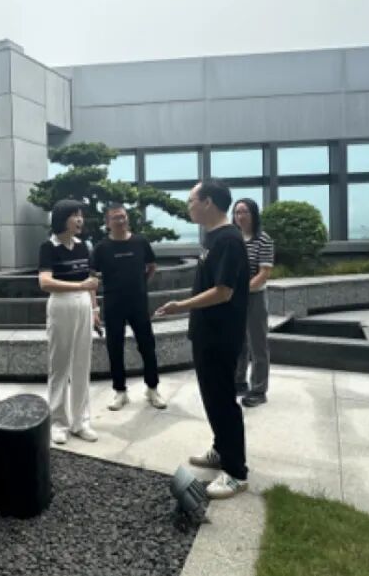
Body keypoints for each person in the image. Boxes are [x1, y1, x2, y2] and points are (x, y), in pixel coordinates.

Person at [155, 179, 250, 499]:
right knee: (212, 398)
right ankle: (221, 450)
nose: (188, 206)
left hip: (221, 334)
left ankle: (236, 472)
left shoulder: (229, 240)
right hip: (207, 332)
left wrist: (181, 305)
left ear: (208, 202)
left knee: (222, 400)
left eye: (191, 200)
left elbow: (224, 292)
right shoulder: (212, 237)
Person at [91, 202, 166, 411]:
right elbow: (92, 278)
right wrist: (94, 308)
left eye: (123, 216)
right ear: (107, 222)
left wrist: (141, 284)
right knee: (115, 347)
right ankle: (120, 391)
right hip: (113, 303)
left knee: (147, 345)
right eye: (116, 217)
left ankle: (152, 388)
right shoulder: (101, 248)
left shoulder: (140, 242)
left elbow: (152, 266)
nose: (121, 220)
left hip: (138, 303)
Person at [38, 199, 101, 445]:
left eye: (80, 215)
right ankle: (58, 422)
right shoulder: (48, 247)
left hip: (83, 304)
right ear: (61, 219)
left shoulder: (84, 246)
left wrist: (94, 308)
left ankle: (80, 421)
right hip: (61, 305)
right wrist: (80, 286)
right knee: (60, 365)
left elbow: (90, 280)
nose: (80, 219)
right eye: (74, 215)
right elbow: (45, 282)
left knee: (82, 364)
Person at [232, 198, 274, 408]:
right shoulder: (233, 238)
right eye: (237, 212)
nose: (240, 216)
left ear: (254, 214)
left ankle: (259, 389)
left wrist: (242, 291)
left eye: (245, 212)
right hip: (234, 298)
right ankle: (239, 381)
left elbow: (264, 273)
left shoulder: (263, 239)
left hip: (254, 297)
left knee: (258, 345)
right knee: (238, 343)